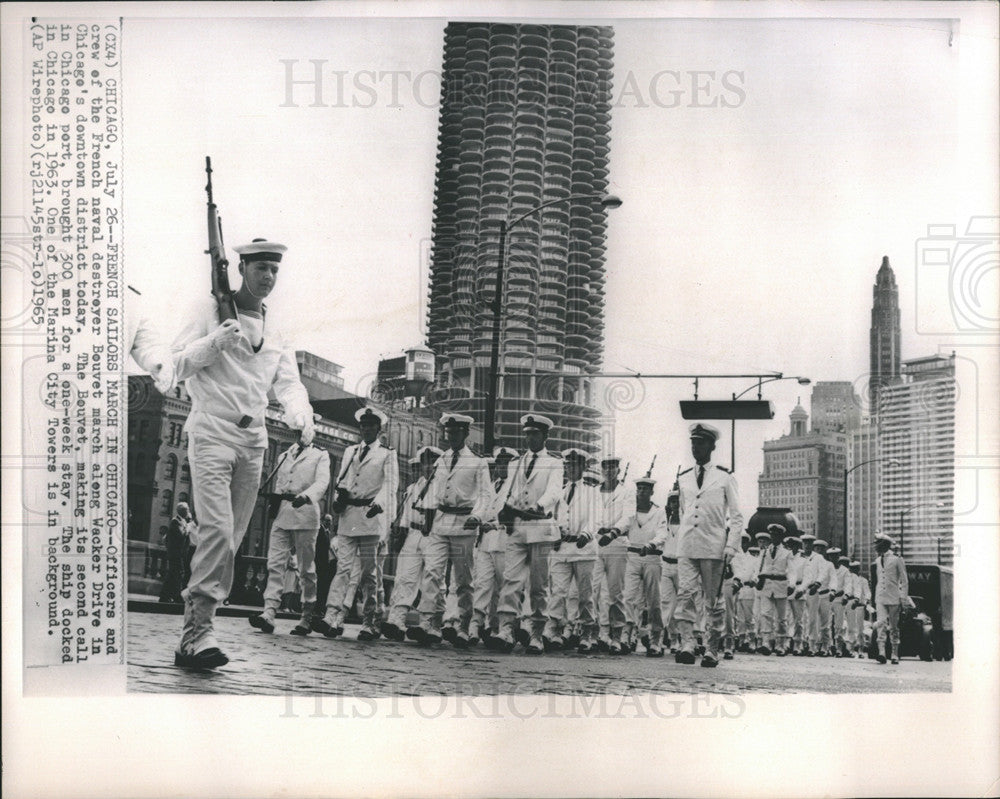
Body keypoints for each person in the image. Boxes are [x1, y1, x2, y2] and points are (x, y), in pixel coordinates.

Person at [171, 238, 314, 670]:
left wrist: (300, 414)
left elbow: (287, 382)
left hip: (254, 444)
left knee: (229, 539)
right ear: (240, 268)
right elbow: (175, 364)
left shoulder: (276, 327)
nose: (268, 278)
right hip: (211, 433)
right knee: (216, 530)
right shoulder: (208, 309)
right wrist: (214, 342)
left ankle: (192, 635)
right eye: (260, 269)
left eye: (274, 270)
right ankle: (200, 634)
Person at [314, 407, 398, 641]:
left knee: (370, 574)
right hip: (350, 516)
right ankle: (331, 616)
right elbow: (344, 481)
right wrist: (339, 497)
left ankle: (371, 620)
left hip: (372, 518)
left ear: (378, 429)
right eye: (363, 426)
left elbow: (390, 486)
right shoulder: (350, 451)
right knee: (343, 569)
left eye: (371, 426)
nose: (366, 430)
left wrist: (379, 505)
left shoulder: (387, 454)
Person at [413, 414, 493, 648]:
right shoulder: (442, 459)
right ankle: (430, 623)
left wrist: (477, 516)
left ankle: (463, 624)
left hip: (464, 523)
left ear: (466, 434)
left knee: (463, 580)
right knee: (432, 573)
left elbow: (485, 494)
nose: (452, 437)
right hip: (441, 521)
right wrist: (428, 515)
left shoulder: (478, 462)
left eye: (456, 433)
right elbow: (434, 491)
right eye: (449, 433)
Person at [489, 415, 564, 654]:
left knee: (539, 586)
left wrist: (540, 505)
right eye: (528, 434)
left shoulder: (554, 463)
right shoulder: (516, 463)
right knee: (511, 580)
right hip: (518, 528)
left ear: (545, 436)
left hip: (541, 528)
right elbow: (509, 493)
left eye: (535, 434)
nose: (530, 438)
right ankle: (507, 629)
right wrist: (504, 510)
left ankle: (536, 633)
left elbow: (554, 492)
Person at [673, 423, 744, 667]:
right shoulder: (683, 478)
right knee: (685, 595)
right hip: (687, 546)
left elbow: (736, 517)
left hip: (713, 547)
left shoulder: (724, 477)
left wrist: (731, 548)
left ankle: (712, 649)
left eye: (701, 443)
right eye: (693, 442)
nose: (696, 447)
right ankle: (687, 644)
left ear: (712, 446)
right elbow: (684, 510)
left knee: (713, 601)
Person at [249, 433, 330, 635]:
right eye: (296, 430)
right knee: (275, 564)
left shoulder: (320, 454)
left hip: (306, 513)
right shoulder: (285, 455)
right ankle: (268, 613)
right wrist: (274, 505)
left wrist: (306, 496)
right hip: (284, 513)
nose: (299, 434)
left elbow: (322, 482)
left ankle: (307, 616)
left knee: (306, 568)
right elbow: (280, 483)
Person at [381, 446, 442, 640]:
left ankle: (430, 623)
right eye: (425, 463)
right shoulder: (415, 487)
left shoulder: (443, 485)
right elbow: (406, 513)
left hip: (434, 535)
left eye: (432, 463)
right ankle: (397, 620)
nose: (428, 467)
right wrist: (402, 530)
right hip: (414, 534)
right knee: (404, 577)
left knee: (433, 580)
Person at [545, 448, 599, 653]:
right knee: (558, 591)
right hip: (561, 547)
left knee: (585, 594)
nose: (570, 469)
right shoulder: (559, 491)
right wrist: (554, 533)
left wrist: (587, 533)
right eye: (567, 465)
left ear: (583, 467)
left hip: (583, 547)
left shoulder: (592, 492)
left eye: (574, 465)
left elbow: (596, 517)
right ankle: (555, 630)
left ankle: (586, 632)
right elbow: (552, 516)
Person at [615, 475, 669, 657]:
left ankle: (655, 640)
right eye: (639, 489)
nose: (642, 492)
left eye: (646, 489)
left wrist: (651, 544)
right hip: (633, 556)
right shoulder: (630, 511)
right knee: (629, 597)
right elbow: (623, 526)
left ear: (652, 492)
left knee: (654, 601)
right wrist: (619, 536)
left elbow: (662, 533)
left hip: (652, 558)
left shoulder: (659, 512)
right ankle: (626, 637)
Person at [471, 447, 518, 643]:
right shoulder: (491, 486)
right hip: (485, 543)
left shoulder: (515, 488)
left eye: (506, 462)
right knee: (482, 585)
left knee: (505, 588)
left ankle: (502, 628)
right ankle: (476, 624)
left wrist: (495, 523)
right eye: (499, 462)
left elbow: (513, 515)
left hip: (505, 541)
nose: (502, 466)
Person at [593, 456, 630, 654]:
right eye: (605, 466)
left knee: (616, 592)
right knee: (593, 590)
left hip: (616, 543)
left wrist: (614, 532)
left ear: (618, 469)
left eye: (613, 466)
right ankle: (596, 633)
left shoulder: (627, 491)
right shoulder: (594, 491)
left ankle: (616, 636)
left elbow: (628, 517)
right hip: (596, 543)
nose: (609, 470)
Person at [873, 532, 911, 664]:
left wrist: (903, 599)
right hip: (880, 597)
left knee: (894, 627)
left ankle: (894, 654)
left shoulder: (896, 559)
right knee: (881, 623)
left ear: (884, 544)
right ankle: (882, 653)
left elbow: (904, 581)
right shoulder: (877, 561)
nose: (875, 546)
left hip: (894, 597)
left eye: (877, 543)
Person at [755, 525, 791, 656]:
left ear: (781, 537)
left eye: (777, 535)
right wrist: (756, 579)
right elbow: (758, 567)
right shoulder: (764, 551)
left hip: (781, 585)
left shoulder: (787, 553)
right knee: (766, 614)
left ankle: (781, 644)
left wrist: (791, 585)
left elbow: (791, 571)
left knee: (781, 618)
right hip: (767, 585)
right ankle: (766, 643)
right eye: (772, 535)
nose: (774, 537)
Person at [658, 482, 682, 653]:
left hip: (681, 566)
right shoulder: (664, 522)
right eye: (672, 501)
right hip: (666, 564)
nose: (675, 504)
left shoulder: (687, 522)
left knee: (680, 606)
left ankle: (676, 639)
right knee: (666, 603)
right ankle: (659, 638)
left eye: (678, 501)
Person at [804, 538, 835, 656]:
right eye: (817, 549)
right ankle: (812, 646)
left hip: (825, 595)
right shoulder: (810, 561)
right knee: (811, 620)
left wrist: (833, 590)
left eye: (821, 549)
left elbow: (833, 579)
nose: (819, 551)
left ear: (825, 550)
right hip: (813, 593)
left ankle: (825, 647)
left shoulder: (829, 564)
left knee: (825, 623)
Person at [159, 502, 193, 603]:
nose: (188, 512)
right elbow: (181, 534)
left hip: (179, 553)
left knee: (173, 574)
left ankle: (165, 596)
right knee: (177, 574)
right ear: (183, 511)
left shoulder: (182, 521)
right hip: (175, 553)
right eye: (187, 510)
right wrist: (188, 527)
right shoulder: (175, 521)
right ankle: (176, 596)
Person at [730, 531, 757, 652]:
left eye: (746, 542)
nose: (743, 544)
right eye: (741, 542)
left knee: (749, 617)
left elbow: (756, 573)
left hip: (748, 588)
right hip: (737, 589)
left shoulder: (753, 559)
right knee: (738, 617)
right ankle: (741, 639)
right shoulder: (735, 557)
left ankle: (751, 640)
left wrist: (753, 580)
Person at [783, 536, 806, 655]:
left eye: (792, 546)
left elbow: (807, 577)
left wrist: (801, 590)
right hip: (785, 590)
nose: (790, 548)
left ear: (798, 547)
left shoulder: (803, 560)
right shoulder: (784, 558)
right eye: (788, 546)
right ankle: (786, 643)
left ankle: (798, 644)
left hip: (798, 589)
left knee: (798, 620)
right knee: (785, 618)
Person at [312, 513, 336, 628]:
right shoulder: (320, 531)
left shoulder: (327, 532)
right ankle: (316, 608)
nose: (329, 523)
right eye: (327, 520)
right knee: (318, 586)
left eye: (330, 521)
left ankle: (319, 608)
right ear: (322, 520)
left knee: (322, 588)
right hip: (319, 563)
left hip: (325, 565)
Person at [829, 551, 852, 657]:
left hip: (839, 599)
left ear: (838, 557)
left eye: (835, 556)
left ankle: (839, 648)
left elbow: (847, 585)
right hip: (827, 598)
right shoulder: (827, 567)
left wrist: (846, 595)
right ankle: (828, 646)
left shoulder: (845, 570)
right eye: (831, 556)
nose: (833, 558)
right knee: (826, 624)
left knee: (839, 625)